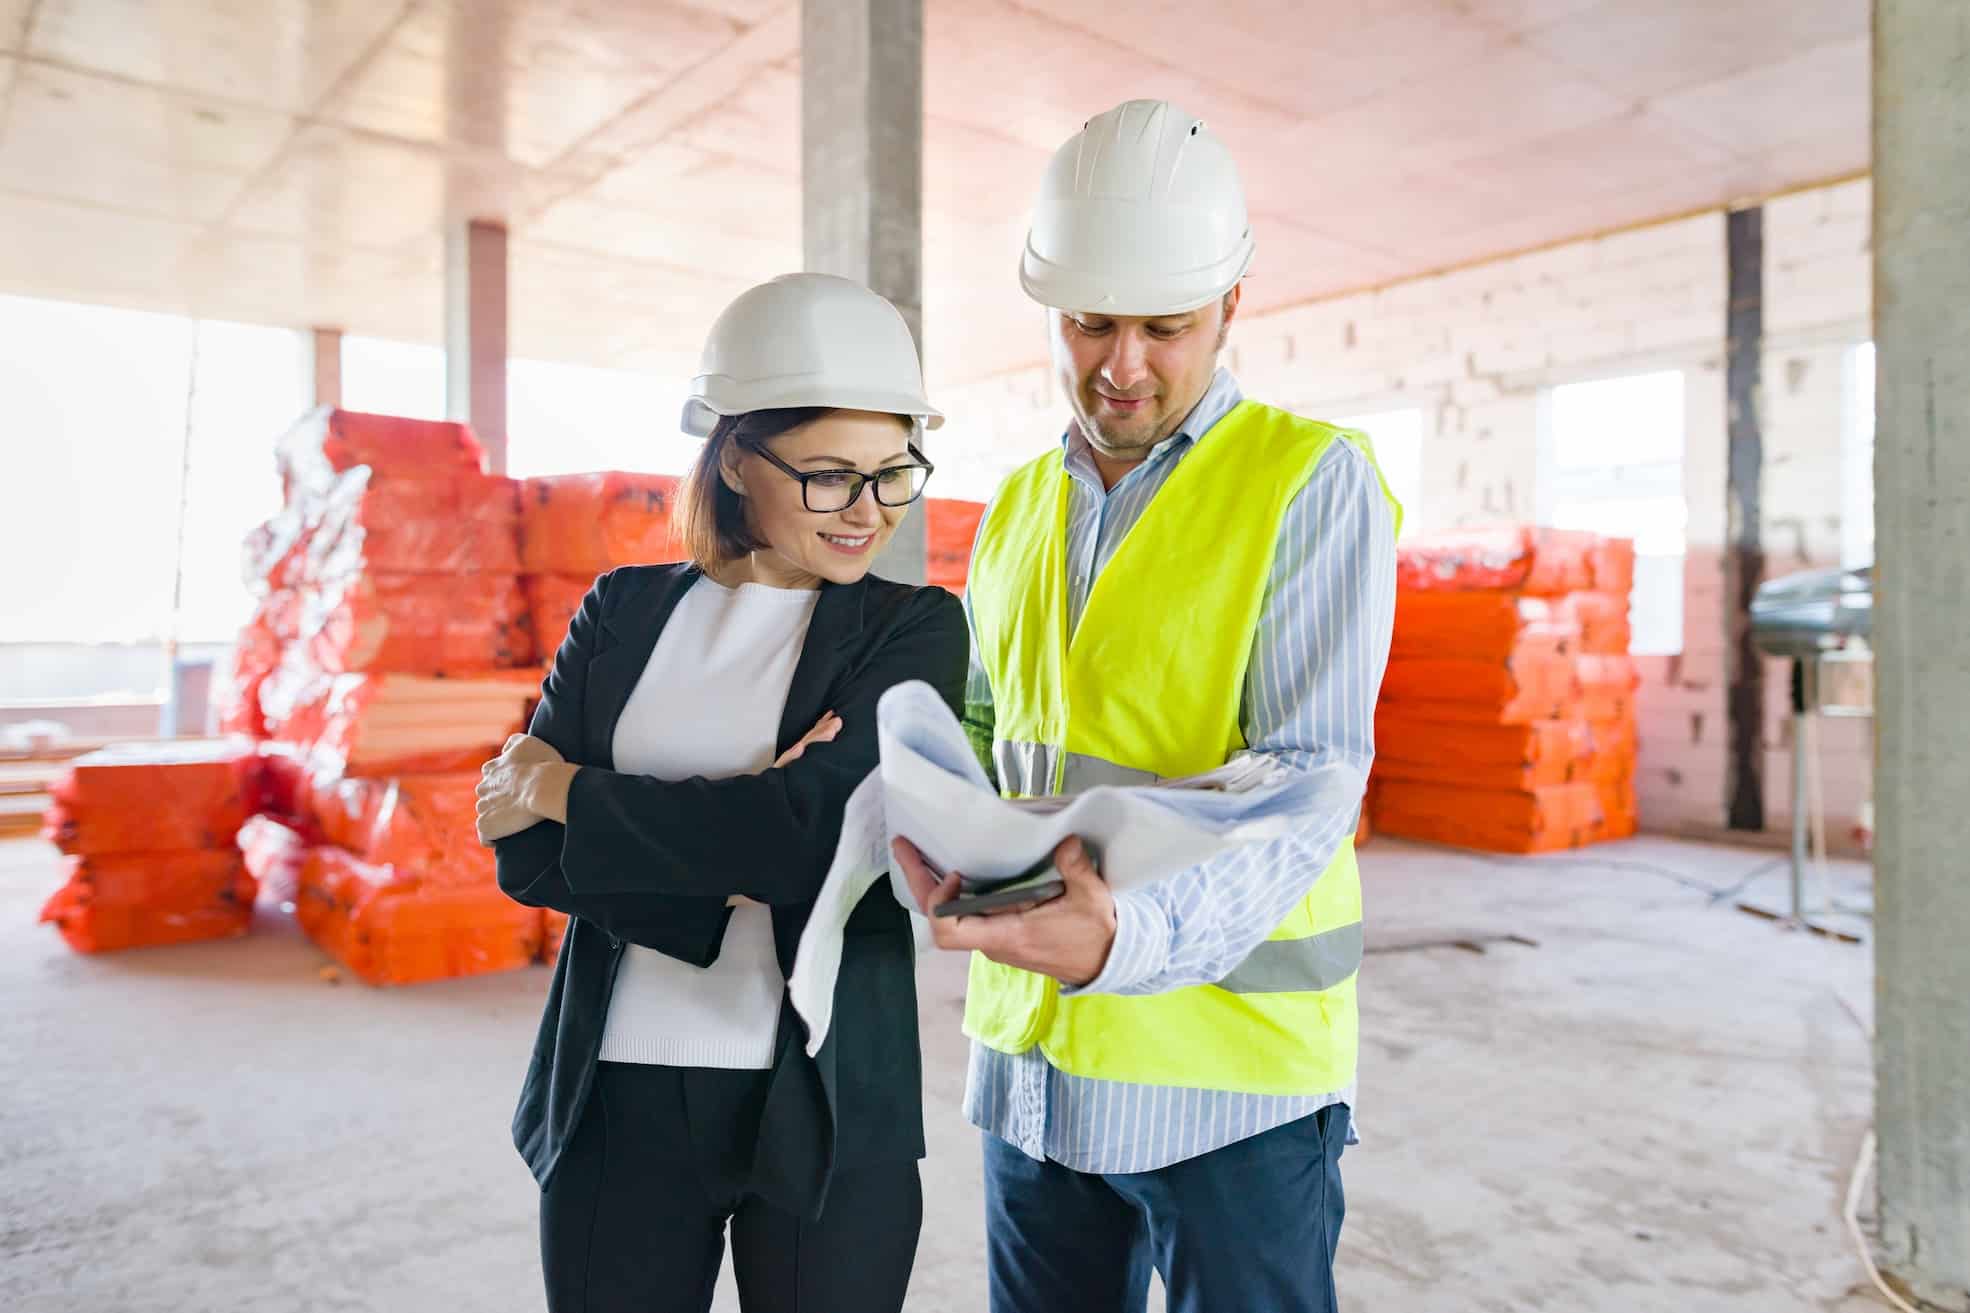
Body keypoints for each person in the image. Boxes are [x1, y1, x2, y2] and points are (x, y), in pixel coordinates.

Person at [892, 100, 1402, 1313]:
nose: (1119, 364)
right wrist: (926, 813)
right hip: (1031, 1054)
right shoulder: (1018, 505)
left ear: (1232, 304)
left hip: (1222, 1074)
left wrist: (1124, 940)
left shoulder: (1307, 481)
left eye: (1163, 327)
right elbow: (991, 731)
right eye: (1087, 323)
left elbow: (1308, 776)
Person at [477, 272, 967, 1313]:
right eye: (831, 476)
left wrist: (575, 790)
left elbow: (807, 841)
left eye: (893, 473)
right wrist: (745, 822)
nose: (868, 511)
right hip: (613, 1093)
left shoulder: (912, 627)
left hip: (828, 1099)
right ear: (738, 455)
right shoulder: (620, 610)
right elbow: (522, 855)